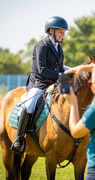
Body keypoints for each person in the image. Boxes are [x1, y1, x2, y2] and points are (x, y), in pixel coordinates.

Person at [10, 16, 70, 154]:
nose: (63, 34)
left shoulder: (59, 48)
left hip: (54, 82)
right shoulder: (41, 46)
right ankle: (19, 139)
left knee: (70, 96)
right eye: (61, 31)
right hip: (38, 83)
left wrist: (68, 76)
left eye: (64, 32)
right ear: (51, 31)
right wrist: (61, 76)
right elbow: (42, 69)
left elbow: (60, 68)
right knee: (29, 105)